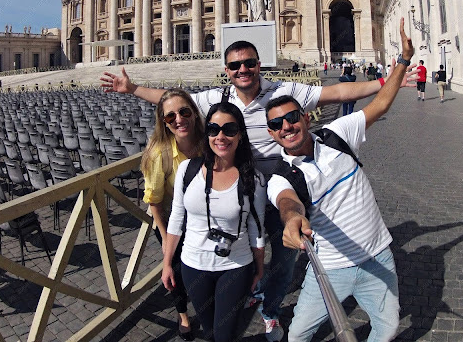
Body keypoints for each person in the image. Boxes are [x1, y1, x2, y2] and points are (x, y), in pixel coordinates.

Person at [101, 40, 416, 341]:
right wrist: (132, 88)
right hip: (240, 195)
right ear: (227, 70)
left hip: (282, 187)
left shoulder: (283, 91)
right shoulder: (218, 97)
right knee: (246, 257)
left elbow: (336, 92)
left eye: (249, 63)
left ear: (258, 64)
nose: (243, 69)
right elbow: (177, 104)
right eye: (235, 65)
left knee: (283, 264)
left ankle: (270, 310)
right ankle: (244, 294)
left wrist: (385, 82)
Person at [266, 16, 414, 342]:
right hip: (330, 267)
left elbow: (380, 104)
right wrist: (292, 220)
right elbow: (287, 202)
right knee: (298, 335)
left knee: (387, 328)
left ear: (306, 118)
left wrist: (403, 60)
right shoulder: (280, 176)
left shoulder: (337, 134)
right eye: (277, 124)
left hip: (378, 255)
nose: (286, 127)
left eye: (291, 118)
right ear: (271, 133)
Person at [162, 102, 266, 342]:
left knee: (224, 335)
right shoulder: (187, 169)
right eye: (213, 129)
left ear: (240, 134)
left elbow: (256, 228)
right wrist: (167, 263)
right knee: (209, 331)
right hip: (193, 265)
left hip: (235, 266)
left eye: (229, 129)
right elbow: (176, 219)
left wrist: (259, 269)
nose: (221, 136)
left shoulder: (254, 179)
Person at [142, 89, 204, 340]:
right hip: (170, 222)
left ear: (194, 113)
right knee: (176, 271)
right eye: (170, 116)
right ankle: (183, 315)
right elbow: (155, 203)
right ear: (164, 122)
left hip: (202, 219)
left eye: (184, 112)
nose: (179, 119)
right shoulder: (160, 154)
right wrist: (166, 238)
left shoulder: (208, 141)